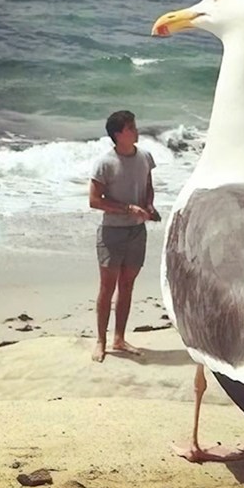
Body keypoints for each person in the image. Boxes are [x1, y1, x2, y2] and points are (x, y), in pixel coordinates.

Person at [89, 110, 159, 363]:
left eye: (134, 125)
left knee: (127, 285)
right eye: (131, 127)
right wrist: (128, 209)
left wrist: (149, 206)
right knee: (107, 288)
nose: (136, 130)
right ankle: (101, 341)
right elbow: (95, 201)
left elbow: (148, 187)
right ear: (118, 134)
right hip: (112, 232)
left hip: (136, 231)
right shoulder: (105, 163)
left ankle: (119, 338)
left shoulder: (144, 157)